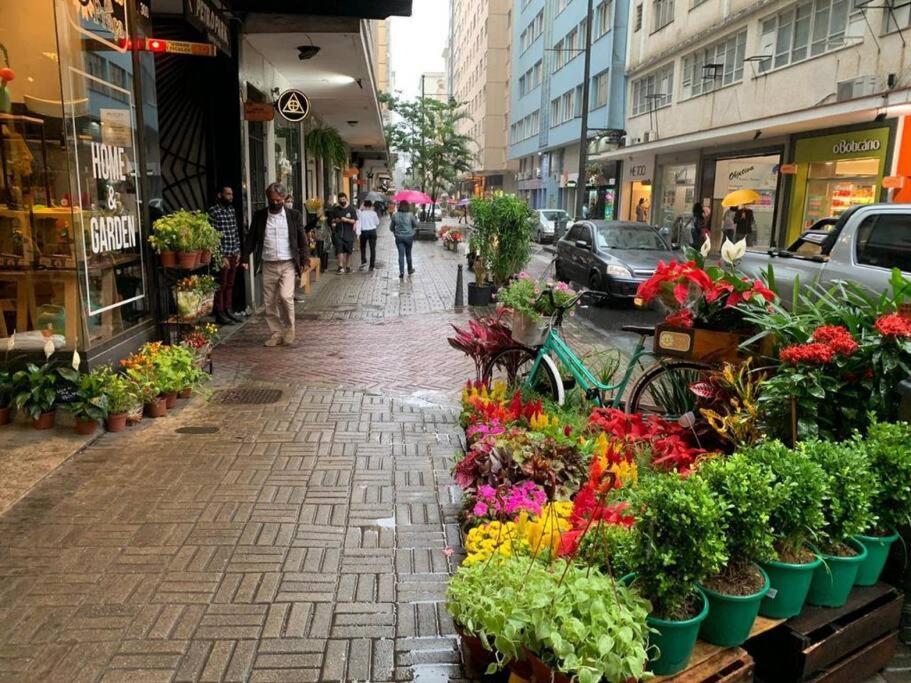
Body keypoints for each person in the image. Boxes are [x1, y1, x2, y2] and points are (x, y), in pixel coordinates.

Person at [242, 182, 310, 347]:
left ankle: (290, 329)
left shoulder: (294, 215)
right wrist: (244, 258)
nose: (275, 203)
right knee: (269, 302)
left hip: (287, 263)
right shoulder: (260, 216)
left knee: (286, 297)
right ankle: (276, 333)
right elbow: (251, 238)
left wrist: (305, 259)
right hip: (268, 264)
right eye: (272, 200)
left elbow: (301, 238)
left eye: (279, 200)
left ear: (285, 199)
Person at [207, 185, 242, 326]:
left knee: (230, 284)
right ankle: (219, 312)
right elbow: (212, 236)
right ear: (220, 195)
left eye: (231, 194)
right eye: (228, 194)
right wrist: (220, 256)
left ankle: (228, 309)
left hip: (233, 252)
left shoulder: (231, 210)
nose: (230, 197)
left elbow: (235, 231)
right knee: (220, 284)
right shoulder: (213, 211)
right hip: (222, 255)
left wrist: (238, 251)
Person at [390, 200, 419, 279]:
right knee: (408, 254)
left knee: (401, 255)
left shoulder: (395, 215)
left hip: (399, 237)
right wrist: (413, 230)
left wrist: (395, 232)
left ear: (399, 206)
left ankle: (401, 272)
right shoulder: (410, 215)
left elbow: (391, 228)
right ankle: (409, 269)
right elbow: (416, 225)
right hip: (409, 237)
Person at [330, 192, 357, 273]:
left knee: (349, 251)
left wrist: (347, 220)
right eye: (340, 200)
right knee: (339, 250)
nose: (342, 201)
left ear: (346, 199)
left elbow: (354, 221)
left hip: (349, 234)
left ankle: (348, 266)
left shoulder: (351, 209)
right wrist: (335, 222)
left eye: (343, 199)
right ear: (338, 200)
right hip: (339, 233)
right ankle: (340, 266)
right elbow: (332, 220)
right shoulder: (336, 209)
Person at [357, 199, 380, 271]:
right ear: (370, 206)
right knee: (372, 249)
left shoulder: (361, 213)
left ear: (364, 205)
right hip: (372, 231)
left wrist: (358, 233)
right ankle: (371, 266)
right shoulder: (374, 213)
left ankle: (363, 261)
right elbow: (377, 223)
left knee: (363, 247)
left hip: (364, 232)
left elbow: (359, 223)